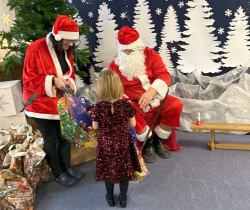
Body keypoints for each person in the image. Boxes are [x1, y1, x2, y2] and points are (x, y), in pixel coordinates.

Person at [22, 15, 84, 187]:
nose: (71, 45)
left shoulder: (66, 48)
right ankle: (58, 173)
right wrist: (51, 81)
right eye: (68, 41)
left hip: (60, 101)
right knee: (51, 139)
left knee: (64, 136)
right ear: (58, 37)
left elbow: (69, 72)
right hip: (39, 103)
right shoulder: (35, 48)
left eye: (73, 41)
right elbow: (28, 78)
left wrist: (67, 81)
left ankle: (67, 167)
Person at [108, 26, 183, 163]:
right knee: (127, 110)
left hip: (154, 96)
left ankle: (158, 140)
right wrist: (120, 98)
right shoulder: (116, 63)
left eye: (131, 49)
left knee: (175, 105)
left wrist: (151, 92)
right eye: (124, 50)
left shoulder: (150, 55)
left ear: (138, 47)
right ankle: (147, 142)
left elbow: (164, 75)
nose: (128, 53)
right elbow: (111, 85)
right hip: (132, 101)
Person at [90, 70, 141, 208]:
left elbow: (95, 127)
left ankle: (109, 198)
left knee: (109, 171)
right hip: (123, 143)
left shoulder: (98, 107)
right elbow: (133, 124)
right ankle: (123, 199)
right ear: (118, 86)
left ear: (101, 88)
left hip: (106, 145)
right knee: (124, 171)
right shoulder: (126, 105)